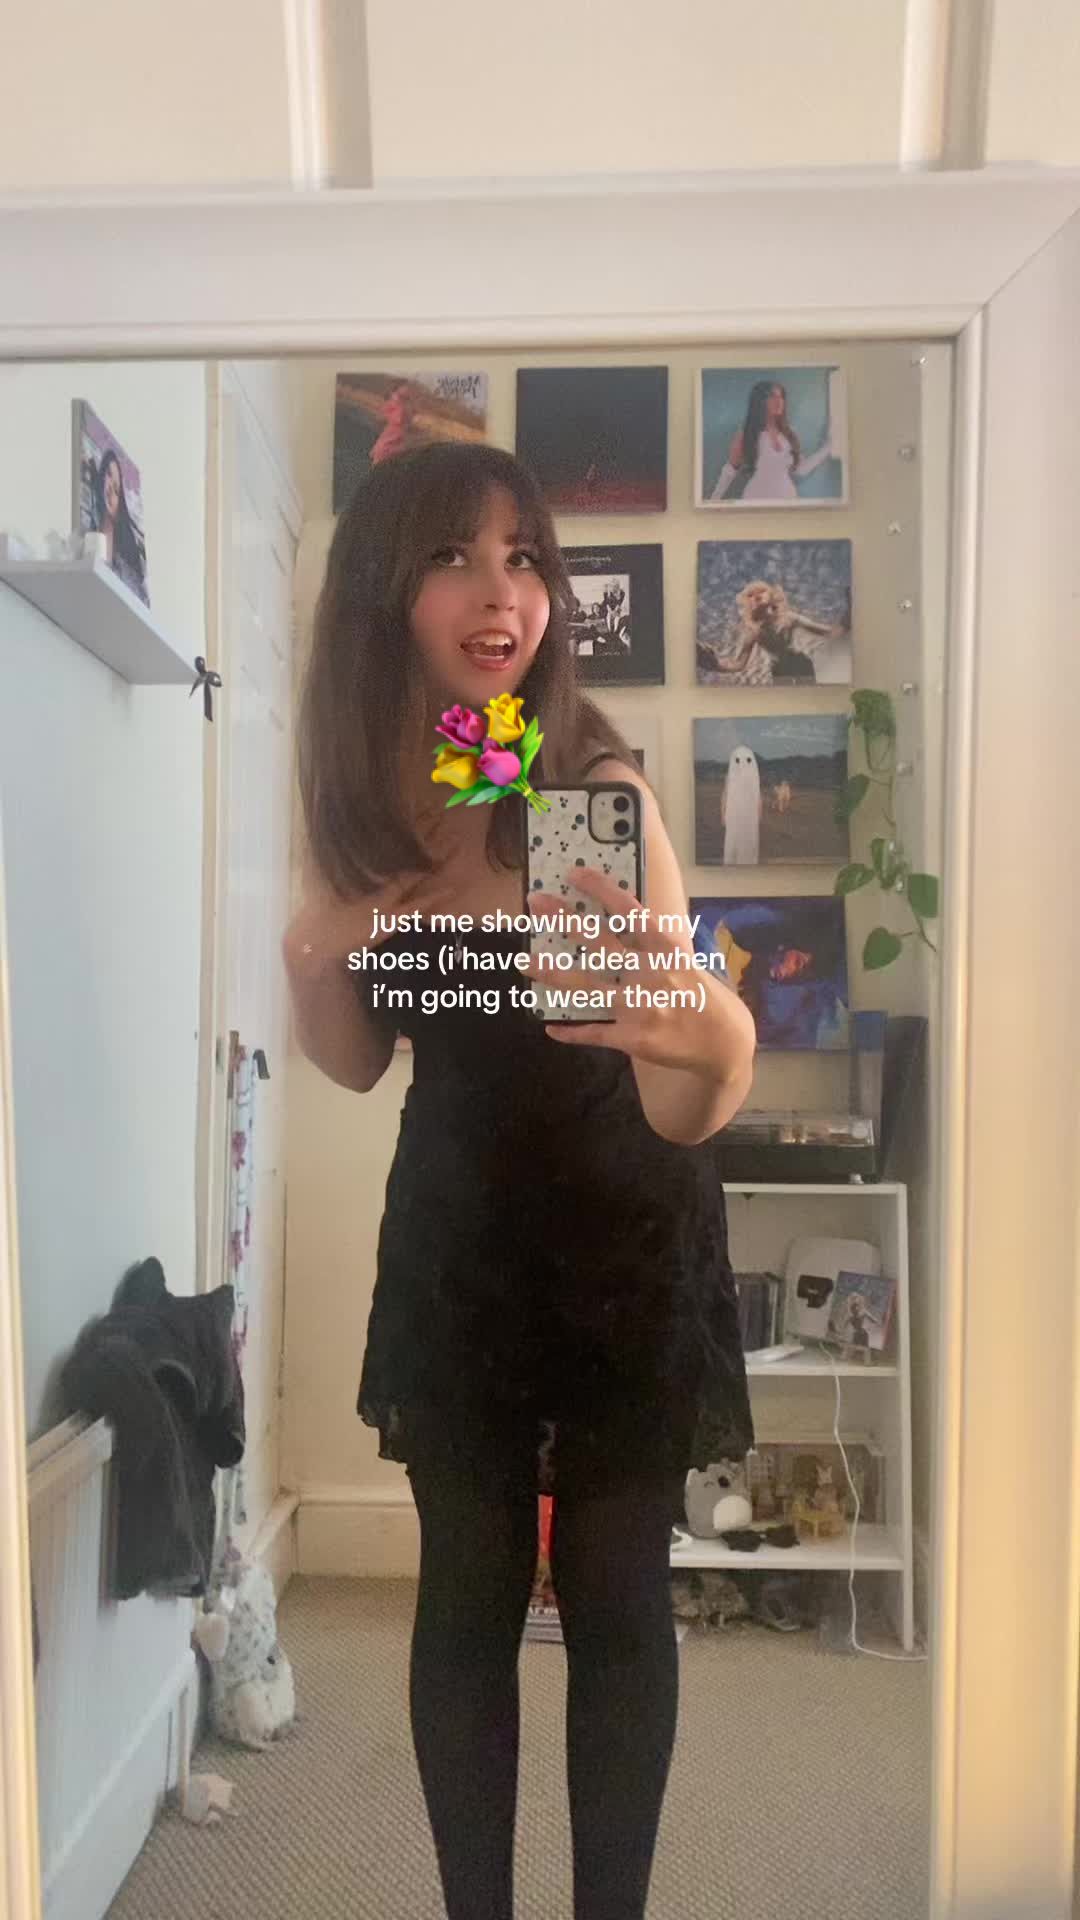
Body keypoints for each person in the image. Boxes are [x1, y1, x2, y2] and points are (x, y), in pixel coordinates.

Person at [282, 441, 757, 1920]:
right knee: (464, 1601)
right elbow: (356, 1062)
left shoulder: (585, 788)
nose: (504, 595)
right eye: (454, 557)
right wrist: (320, 943)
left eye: (525, 558)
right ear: (383, 589)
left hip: (622, 1222)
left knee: (617, 1597)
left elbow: (680, 1085)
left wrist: (707, 1028)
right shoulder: (373, 798)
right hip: (461, 1238)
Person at [711, 378, 832, 503]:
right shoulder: (747, 434)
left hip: (788, 498)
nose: (779, 401)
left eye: (781, 397)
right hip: (755, 499)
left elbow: (801, 470)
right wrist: (713, 500)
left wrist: (828, 447)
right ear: (760, 401)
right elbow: (730, 470)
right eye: (772, 397)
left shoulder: (789, 434)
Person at [709, 578, 845, 685]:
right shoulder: (754, 632)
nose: (756, 596)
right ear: (747, 604)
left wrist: (847, 624)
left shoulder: (789, 618)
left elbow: (826, 632)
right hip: (779, 670)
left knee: (809, 696)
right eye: (750, 595)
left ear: (772, 595)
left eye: (761, 591)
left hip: (800, 662)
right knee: (788, 702)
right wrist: (715, 664)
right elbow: (739, 664)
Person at [91, 448, 147, 597]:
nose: (110, 488)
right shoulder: (86, 535)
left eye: (116, 490)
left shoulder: (126, 572)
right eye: (109, 474)